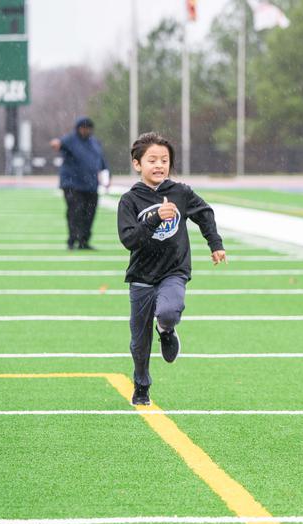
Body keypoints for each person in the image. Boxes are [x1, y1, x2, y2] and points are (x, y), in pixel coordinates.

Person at [117, 132, 227, 406]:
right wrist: (154, 217)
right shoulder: (129, 201)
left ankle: (166, 330)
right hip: (142, 276)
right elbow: (129, 239)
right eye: (152, 160)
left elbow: (205, 213)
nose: (159, 165)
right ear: (137, 164)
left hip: (173, 271)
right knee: (139, 343)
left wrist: (215, 243)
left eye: (164, 160)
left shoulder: (180, 192)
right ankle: (141, 385)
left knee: (168, 310)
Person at [50, 117, 109, 250]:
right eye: (83, 127)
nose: (85, 130)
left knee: (90, 213)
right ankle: (72, 240)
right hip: (73, 184)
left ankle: (84, 241)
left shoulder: (95, 142)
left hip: (91, 184)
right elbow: (59, 144)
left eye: (88, 128)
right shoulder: (70, 139)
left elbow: (102, 161)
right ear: (78, 128)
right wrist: (55, 143)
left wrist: (107, 177)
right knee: (75, 212)